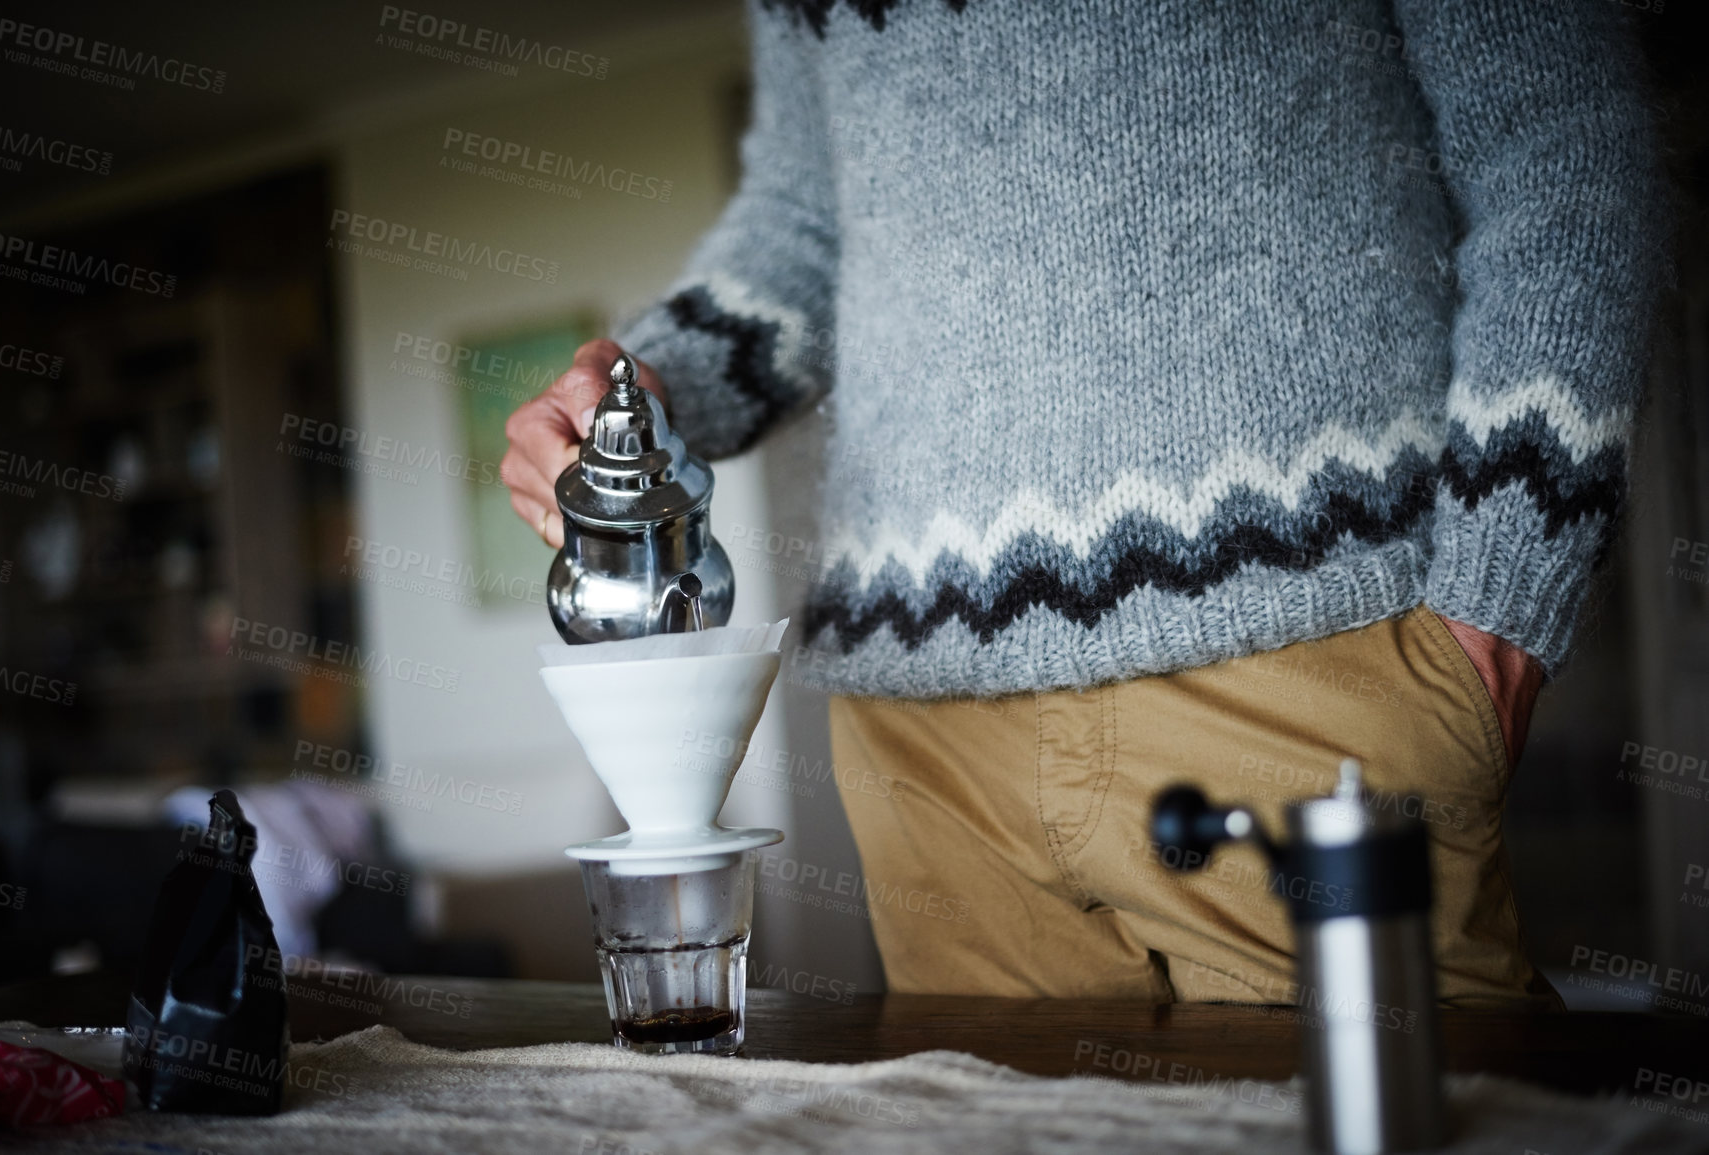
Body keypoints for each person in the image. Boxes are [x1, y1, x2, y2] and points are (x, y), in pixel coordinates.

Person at [503, 0, 1663, 1006]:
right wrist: (639, 394)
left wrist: (1502, 604)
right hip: (927, 741)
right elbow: (805, 228)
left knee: (1401, 1121)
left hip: (1305, 672)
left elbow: (1562, 137)